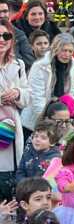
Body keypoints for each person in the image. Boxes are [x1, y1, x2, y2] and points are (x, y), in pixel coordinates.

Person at [22, 33, 74, 135]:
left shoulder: (72, 66)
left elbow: (73, 92)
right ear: (56, 49)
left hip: (60, 120)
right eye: (64, 50)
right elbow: (36, 97)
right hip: (36, 121)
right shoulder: (40, 66)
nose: (67, 54)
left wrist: (66, 116)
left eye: (70, 51)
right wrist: (46, 121)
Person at [0, 18, 30, 200]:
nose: (1, 40)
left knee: (10, 179)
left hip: (11, 128)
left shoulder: (18, 65)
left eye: (5, 35)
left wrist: (17, 93)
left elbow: (27, 96)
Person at [0, 0, 35, 70]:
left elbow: (29, 62)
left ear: (9, 12)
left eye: (5, 11)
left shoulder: (19, 34)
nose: (2, 15)